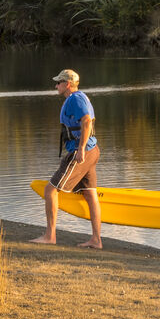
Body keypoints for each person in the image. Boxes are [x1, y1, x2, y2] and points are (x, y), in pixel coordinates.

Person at [30, 68, 102, 249]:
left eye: (59, 83)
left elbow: (86, 121)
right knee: (90, 193)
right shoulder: (80, 97)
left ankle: (50, 236)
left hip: (82, 152)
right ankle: (96, 240)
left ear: (67, 84)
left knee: (50, 190)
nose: (56, 86)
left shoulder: (75, 99)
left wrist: (81, 150)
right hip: (92, 151)